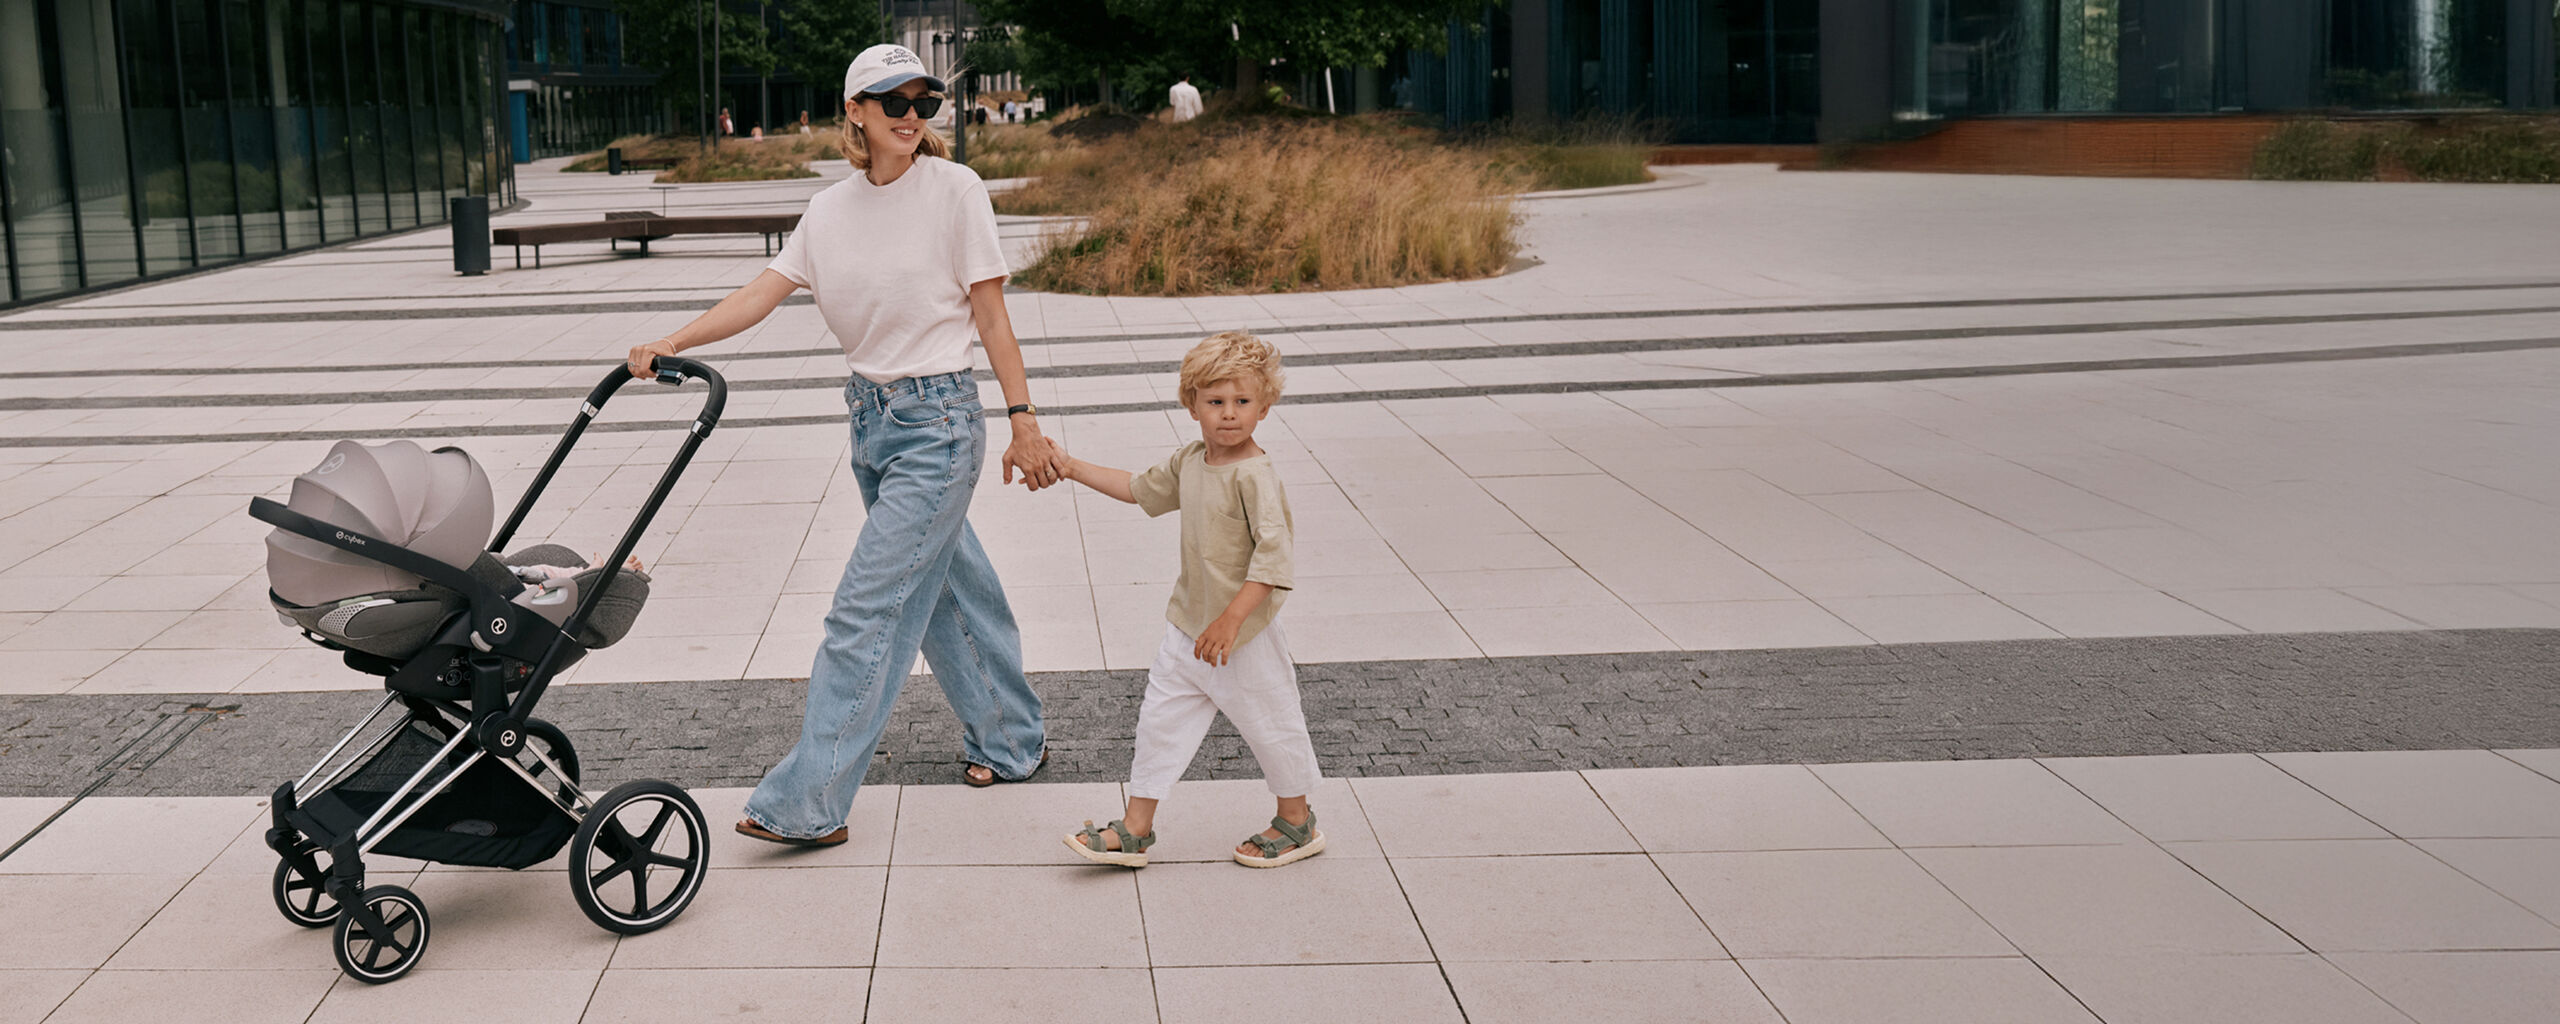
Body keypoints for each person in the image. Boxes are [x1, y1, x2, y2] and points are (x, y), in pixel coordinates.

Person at [626, 44, 1064, 847]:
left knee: (865, 612)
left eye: (922, 102)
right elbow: (762, 292)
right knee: (947, 592)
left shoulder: (955, 191)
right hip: (871, 423)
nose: (909, 117)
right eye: (891, 101)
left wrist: (1023, 417)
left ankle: (809, 802)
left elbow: (992, 317)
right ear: (855, 111)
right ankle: (1011, 739)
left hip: (938, 424)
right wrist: (672, 340)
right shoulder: (829, 211)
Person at [1055, 332, 1323, 869]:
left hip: (1242, 635)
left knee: (1272, 724)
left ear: (1264, 406)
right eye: (1215, 402)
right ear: (1192, 405)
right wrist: (1069, 465)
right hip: (1188, 627)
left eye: (1242, 402)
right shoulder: (1192, 461)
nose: (1229, 415)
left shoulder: (1256, 477)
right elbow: (1138, 489)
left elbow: (1273, 562)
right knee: (1159, 722)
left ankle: (1297, 821)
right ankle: (1136, 828)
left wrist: (1232, 619)